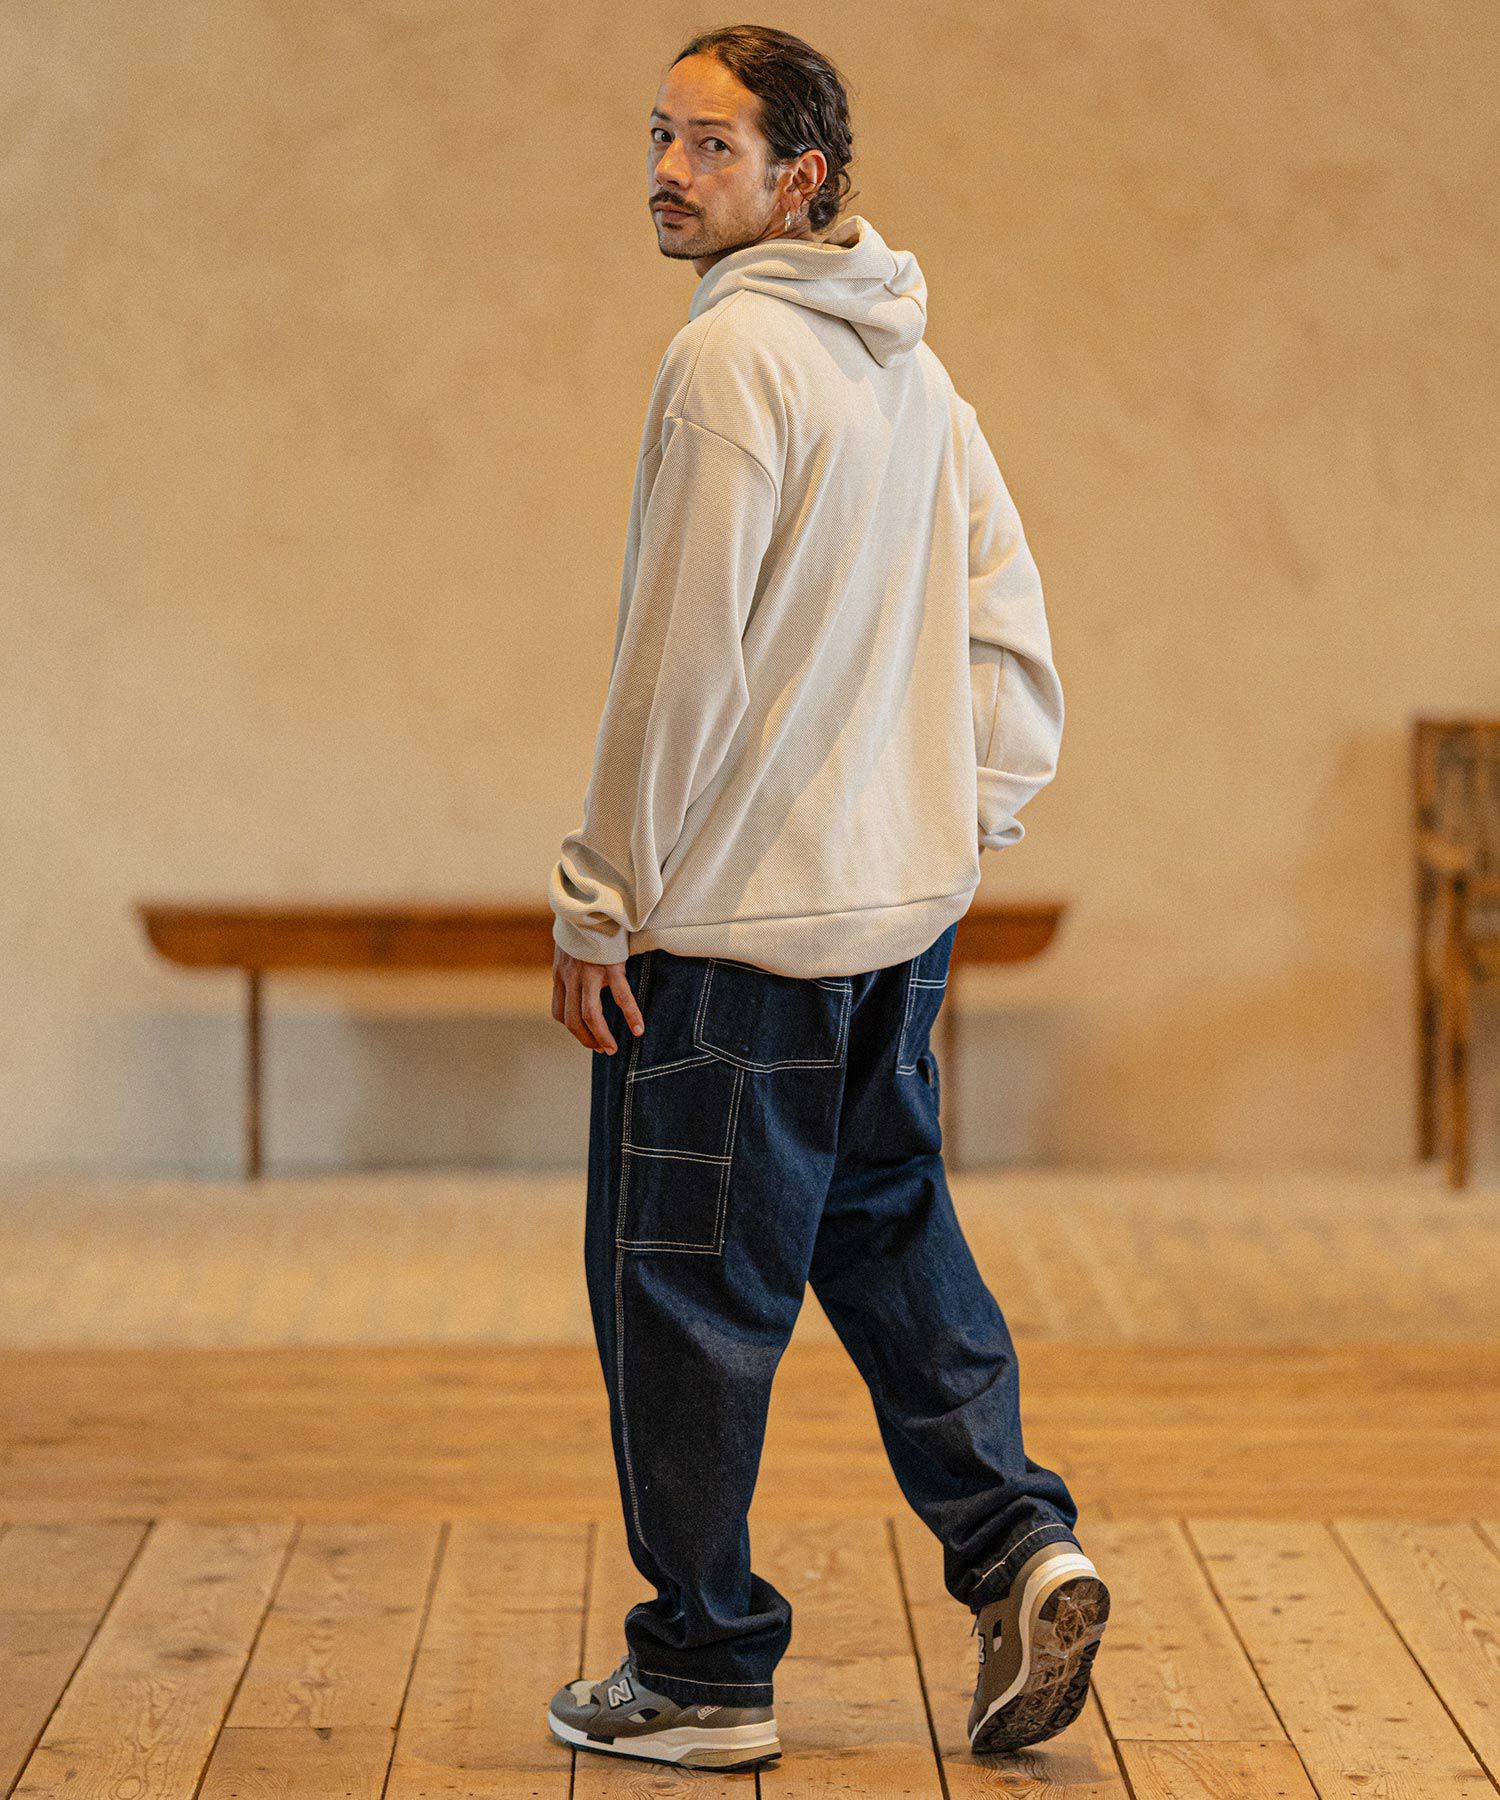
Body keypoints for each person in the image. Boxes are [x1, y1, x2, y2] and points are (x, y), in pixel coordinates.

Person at [543, 23, 1109, 1773]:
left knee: (683, 1298)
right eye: (658, 135)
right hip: (893, 932)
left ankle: (705, 1668)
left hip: (730, 950)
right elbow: (1011, 639)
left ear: (801, 178)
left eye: (709, 145)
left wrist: (597, 899)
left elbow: (676, 664)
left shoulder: (730, 362)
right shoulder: (915, 377)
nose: (666, 171)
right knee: (887, 1232)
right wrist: (948, 827)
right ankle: (1021, 1543)